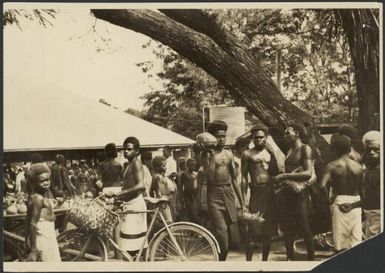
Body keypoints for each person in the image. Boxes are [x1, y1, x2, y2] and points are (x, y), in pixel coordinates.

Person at [201, 120, 245, 261]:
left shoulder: (229, 154)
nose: (221, 139)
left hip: (229, 192)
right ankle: (221, 261)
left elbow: (234, 180)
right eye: (218, 136)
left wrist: (242, 203)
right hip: (214, 194)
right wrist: (212, 155)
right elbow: (208, 177)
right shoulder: (206, 155)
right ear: (212, 137)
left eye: (223, 136)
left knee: (234, 239)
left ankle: (221, 260)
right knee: (222, 232)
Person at [274, 123, 315, 261]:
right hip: (288, 192)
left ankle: (311, 261)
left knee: (304, 225)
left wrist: (285, 176)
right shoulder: (290, 150)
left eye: (287, 133)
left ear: (296, 133)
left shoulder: (305, 148)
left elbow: (308, 173)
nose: (284, 135)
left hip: (300, 193)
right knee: (287, 226)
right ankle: (289, 258)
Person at [318, 134, 364, 252]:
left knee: (340, 242)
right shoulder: (359, 167)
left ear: (336, 149)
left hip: (340, 201)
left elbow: (321, 185)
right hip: (356, 202)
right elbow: (364, 192)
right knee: (355, 241)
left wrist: (329, 198)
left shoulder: (332, 166)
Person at [241, 125, 279, 261]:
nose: (258, 140)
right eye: (256, 137)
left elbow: (275, 172)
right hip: (256, 192)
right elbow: (244, 177)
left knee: (267, 232)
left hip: (269, 192)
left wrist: (273, 154)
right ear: (252, 138)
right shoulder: (247, 154)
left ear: (266, 138)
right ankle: (249, 264)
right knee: (253, 229)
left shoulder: (270, 153)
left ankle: (264, 263)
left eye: (261, 137)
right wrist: (244, 197)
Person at [109, 137, 147, 258]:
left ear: (137, 151)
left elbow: (141, 185)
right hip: (130, 205)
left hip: (135, 205)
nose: (126, 151)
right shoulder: (129, 164)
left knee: (133, 246)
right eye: (124, 149)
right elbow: (129, 184)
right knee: (130, 245)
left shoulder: (136, 163)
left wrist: (120, 193)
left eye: (129, 149)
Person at [25, 163, 61, 262]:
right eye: (42, 181)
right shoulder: (37, 198)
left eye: (47, 179)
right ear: (34, 182)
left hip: (48, 235)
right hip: (42, 238)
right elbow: (32, 224)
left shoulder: (43, 195)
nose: (46, 183)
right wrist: (33, 249)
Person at [361, 130, 381, 239]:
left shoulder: (378, 169)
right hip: (370, 213)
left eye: (376, 149)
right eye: (369, 150)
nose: (372, 152)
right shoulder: (369, 167)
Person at [150, 156, 173, 224]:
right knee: (168, 222)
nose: (165, 167)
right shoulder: (158, 177)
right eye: (163, 166)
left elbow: (151, 191)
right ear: (157, 167)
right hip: (163, 202)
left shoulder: (156, 176)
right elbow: (159, 192)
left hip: (162, 201)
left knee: (162, 222)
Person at [180, 158, 199, 223]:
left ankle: (195, 223)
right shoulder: (184, 174)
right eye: (191, 165)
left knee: (195, 210)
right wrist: (181, 196)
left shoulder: (196, 174)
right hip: (187, 194)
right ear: (187, 165)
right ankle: (191, 223)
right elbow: (180, 186)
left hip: (194, 194)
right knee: (190, 210)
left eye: (194, 165)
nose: (193, 167)